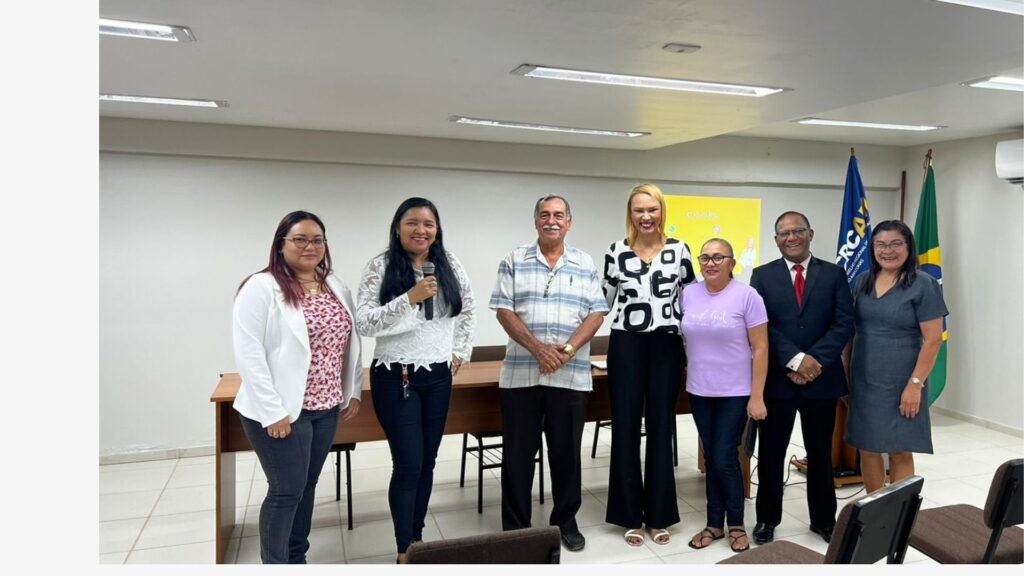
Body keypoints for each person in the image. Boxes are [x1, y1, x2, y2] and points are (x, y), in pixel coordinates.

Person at [232, 210, 363, 564]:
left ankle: (296, 558)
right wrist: (273, 411)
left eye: (317, 239)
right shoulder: (261, 287)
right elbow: (249, 353)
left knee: (306, 488)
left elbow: (350, 341)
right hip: (283, 410)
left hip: (325, 408)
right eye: (300, 239)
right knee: (286, 490)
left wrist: (352, 388)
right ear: (281, 245)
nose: (310, 246)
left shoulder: (334, 284)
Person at [355, 197, 476, 563]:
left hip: (438, 374)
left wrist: (460, 350)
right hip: (396, 376)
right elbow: (363, 322)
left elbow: (467, 307)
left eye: (428, 224)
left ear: (436, 230)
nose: (421, 230)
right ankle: (403, 548)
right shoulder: (381, 266)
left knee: (428, 462)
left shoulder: (449, 264)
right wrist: (409, 298)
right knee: (408, 463)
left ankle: (418, 537)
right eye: (412, 223)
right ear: (397, 227)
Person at [489, 195, 607, 552]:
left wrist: (567, 351)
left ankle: (565, 522)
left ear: (569, 222)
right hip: (521, 376)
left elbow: (597, 312)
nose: (551, 220)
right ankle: (516, 529)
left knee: (566, 454)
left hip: (569, 377)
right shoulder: (514, 260)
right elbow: (504, 310)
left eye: (558, 215)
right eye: (544, 215)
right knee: (517, 457)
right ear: (535, 222)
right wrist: (538, 349)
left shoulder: (584, 263)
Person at [749, 211, 855, 545]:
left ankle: (823, 520)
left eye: (798, 231)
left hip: (821, 381)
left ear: (810, 234)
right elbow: (762, 325)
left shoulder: (835, 274)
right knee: (771, 453)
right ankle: (767, 519)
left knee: (820, 453)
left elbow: (844, 323)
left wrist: (814, 361)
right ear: (775, 240)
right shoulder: (762, 276)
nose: (791, 238)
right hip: (778, 381)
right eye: (784, 233)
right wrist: (795, 360)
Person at [602, 183, 696, 546]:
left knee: (661, 428)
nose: (646, 216)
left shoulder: (679, 251)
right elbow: (601, 304)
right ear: (631, 213)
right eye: (639, 210)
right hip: (626, 345)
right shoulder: (615, 252)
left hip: (666, 347)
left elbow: (692, 304)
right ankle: (628, 515)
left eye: (652, 209)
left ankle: (659, 516)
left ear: (662, 212)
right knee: (624, 427)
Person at [679, 238, 768, 554]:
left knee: (724, 456)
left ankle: (736, 524)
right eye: (705, 257)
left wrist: (757, 396)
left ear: (732, 262)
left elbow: (760, 348)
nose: (710, 263)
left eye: (718, 257)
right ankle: (714, 524)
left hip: (736, 391)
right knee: (713, 457)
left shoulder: (747, 296)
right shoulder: (688, 294)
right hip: (700, 390)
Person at [846, 220, 947, 493]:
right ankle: (873, 512)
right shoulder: (862, 282)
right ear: (873, 248)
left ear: (908, 247)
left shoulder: (923, 284)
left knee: (899, 450)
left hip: (903, 381)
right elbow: (852, 331)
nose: (887, 251)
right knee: (868, 448)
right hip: (865, 380)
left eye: (895, 244)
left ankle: (897, 519)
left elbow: (933, 339)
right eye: (881, 244)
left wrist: (915, 385)